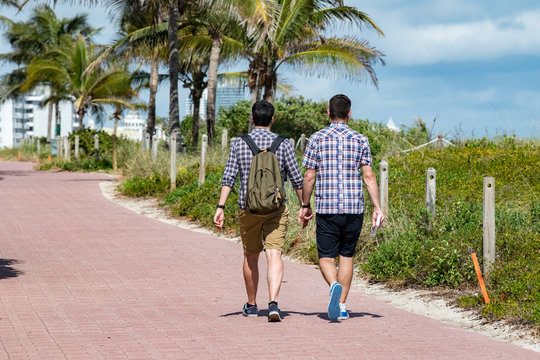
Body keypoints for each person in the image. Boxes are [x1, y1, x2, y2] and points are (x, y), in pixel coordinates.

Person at [213, 100, 304, 322]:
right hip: (276, 209)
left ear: (252, 119)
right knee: (274, 254)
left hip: (249, 209)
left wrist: (220, 207)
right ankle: (273, 303)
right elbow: (296, 178)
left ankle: (252, 305)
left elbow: (229, 177)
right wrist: (305, 206)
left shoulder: (239, 143)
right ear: (272, 119)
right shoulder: (284, 143)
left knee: (251, 256)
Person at [299, 94, 384, 321]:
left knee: (326, 256)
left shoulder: (316, 139)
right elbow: (368, 175)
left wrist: (305, 205)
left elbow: (309, 176)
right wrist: (377, 206)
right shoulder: (360, 139)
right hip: (354, 207)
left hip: (326, 207)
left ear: (328, 112)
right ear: (349, 113)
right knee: (347, 255)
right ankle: (343, 305)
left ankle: (333, 284)